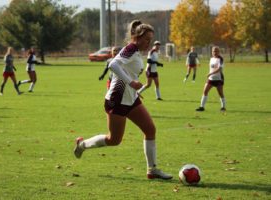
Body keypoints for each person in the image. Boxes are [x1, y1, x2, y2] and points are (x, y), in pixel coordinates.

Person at [74, 20, 172, 180]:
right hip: (116, 100)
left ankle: (152, 170)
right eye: (147, 39)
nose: (149, 43)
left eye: (150, 40)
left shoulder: (137, 51)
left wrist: (133, 89)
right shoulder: (131, 48)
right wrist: (131, 82)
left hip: (130, 98)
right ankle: (82, 145)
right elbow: (113, 64)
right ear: (138, 37)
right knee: (113, 140)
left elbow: (127, 70)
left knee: (150, 129)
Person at [196, 46, 226, 112]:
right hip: (211, 79)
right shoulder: (211, 58)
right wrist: (210, 75)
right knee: (205, 91)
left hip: (219, 79)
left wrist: (210, 73)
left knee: (220, 93)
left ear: (219, 52)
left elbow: (219, 69)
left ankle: (223, 107)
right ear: (212, 52)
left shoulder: (220, 59)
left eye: (216, 51)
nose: (214, 52)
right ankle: (202, 107)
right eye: (213, 51)